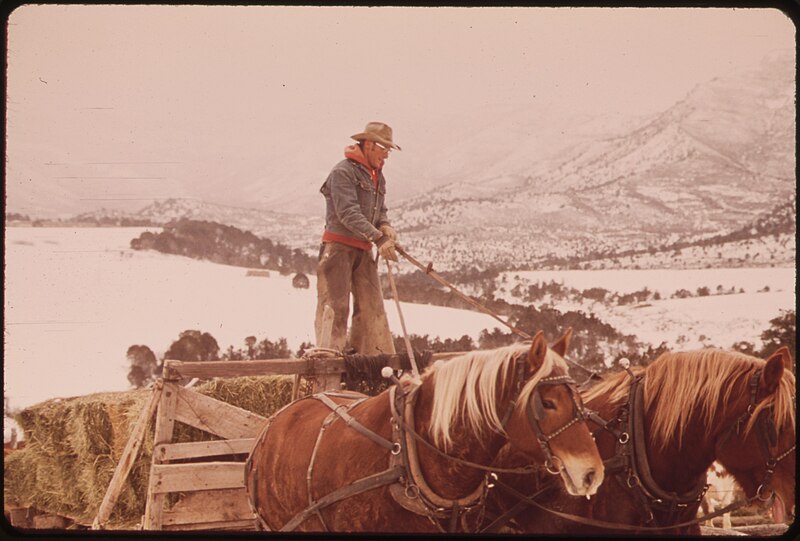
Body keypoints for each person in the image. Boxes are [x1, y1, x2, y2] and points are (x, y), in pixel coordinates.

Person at [314, 122, 400, 355]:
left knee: (371, 308)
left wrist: (385, 225)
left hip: (363, 250)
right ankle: (329, 363)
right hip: (338, 249)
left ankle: (369, 365)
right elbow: (348, 213)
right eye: (385, 149)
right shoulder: (343, 172)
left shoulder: (377, 176)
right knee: (335, 308)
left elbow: (379, 209)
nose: (387, 155)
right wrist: (379, 238)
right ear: (370, 145)